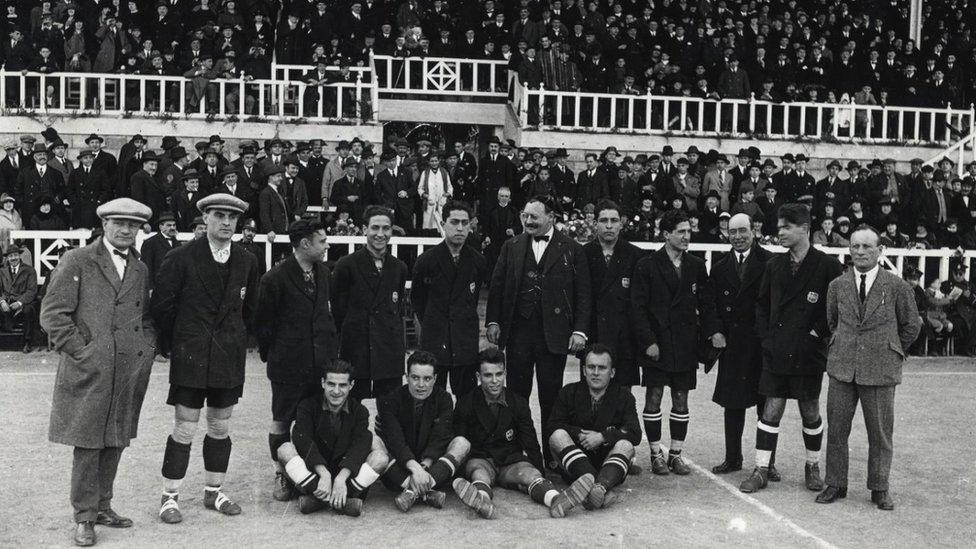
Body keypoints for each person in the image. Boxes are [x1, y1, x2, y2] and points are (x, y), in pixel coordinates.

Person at [41, 198, 155, 547]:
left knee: (117, 438)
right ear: (104, 224)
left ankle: (104, 506)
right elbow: (53, 315)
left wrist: (145, 350)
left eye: (132, 225)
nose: (125, 230)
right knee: (89, 443)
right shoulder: (78, 260)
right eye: (119, 223)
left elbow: (144, 318)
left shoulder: (139, 268)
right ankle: (85, 517)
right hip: (91, 368)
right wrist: (82, 352)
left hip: (126, 369)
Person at [150, 193, 260, 524]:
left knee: (220, 425)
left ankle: (214, 490)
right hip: (191, 355)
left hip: (228, 356)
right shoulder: (180, 257)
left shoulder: (247, 260)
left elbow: (250, 309)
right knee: (184, 426)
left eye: (232, 217)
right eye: (219, 215)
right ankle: (169, 497)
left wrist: (236, 339)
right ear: (205, 219)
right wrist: (178, 345)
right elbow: (162, 309)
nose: (226, 222)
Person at [740, 203, 844, 494]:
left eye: (786, 227)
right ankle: (761, 469)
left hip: (809, 352)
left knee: (810, 411)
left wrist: (815, 333)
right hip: (777, 350)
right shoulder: (774, 265)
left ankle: (812, 466)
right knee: (771, 410)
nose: (780, 232)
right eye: (779, 227)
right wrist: (767, 338)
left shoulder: (827, 265)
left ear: (805, 229)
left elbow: (833, 309)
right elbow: (760, 305)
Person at [817, 225, 921, 510]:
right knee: (837, 429)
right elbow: (832, 322)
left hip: (880, 368)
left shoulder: (897, 286)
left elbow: (912, 325)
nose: (860, 252)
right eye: (855, 246)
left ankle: (879, 488)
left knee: (880, 433)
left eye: (866, 247)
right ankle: (835, 483)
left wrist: (892, 349)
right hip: (842, 367)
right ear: (849, 250)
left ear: (880, 250)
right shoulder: (837, 285)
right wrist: (843, 344)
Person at [485, 195, 591, 465]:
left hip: (553, 337)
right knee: (517, 397)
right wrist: (493, 321)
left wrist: (579, 331)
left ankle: (552, 457)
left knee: (551, 398)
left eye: (534, 217)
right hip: (519, 333)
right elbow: (497, 287)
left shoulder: (572, 249)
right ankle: (520, 453)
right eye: (525, 216)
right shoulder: (511, 246)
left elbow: (583, 295)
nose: (528, 221)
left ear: (551, 218)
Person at [452, 348, 595, 519]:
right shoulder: (465, 403)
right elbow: (460, 443)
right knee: (478, 473)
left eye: (499, 374)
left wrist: (538, 470)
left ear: (505, 373)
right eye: (488, 375)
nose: (494, 381)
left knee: (529, 474)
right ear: (478, 376)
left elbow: (530, 442)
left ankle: (557, 500)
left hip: (509, 461)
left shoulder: (517, 402)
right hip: (480, 460)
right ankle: (482, 501)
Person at [632, 209, 724, 475]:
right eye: (681, 232)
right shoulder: (647, 265)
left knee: (681, 399)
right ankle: (655, 454)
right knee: (654, 396)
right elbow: (637, 309)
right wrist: (648, 341)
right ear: (666, 234)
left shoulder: (696, 265)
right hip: (657, 344)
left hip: (684, 344)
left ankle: (675, 454)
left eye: (689, 231)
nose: (687, 236)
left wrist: (714, 331)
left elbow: (707, 305)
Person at [255, 220, 338, 502]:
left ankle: (310, 472)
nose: (327, 246)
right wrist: (277, 358)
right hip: (288, 367)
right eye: (322, 241)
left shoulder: (325, 273)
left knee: (314, 421)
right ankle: (281, 473)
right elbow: (263, 327)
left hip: (319, 366)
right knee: (282, 421)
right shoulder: (274, 279)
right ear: (305, 244)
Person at [275, 360, 391, 517]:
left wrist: (341, 479)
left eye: (342, 385)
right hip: (316, 474)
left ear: (351, 385)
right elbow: (303, 440)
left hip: (347, 477)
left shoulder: (360, 411)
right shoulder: (307, 406)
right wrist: (324, 474)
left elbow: (359, 446)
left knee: (380, 457)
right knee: (284, 449)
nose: (336, 391)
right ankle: (341, 502)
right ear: (323, 383)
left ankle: (321, 499)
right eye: (331, 384)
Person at [708, 213, 772, 474]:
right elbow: (710, 303)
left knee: (765, 406)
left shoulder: (770, 262)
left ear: (754, 231)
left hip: (760, 345)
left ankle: (766, 463)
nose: (737, 237)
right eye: (732, 232)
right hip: (732, 344)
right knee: (732, 405)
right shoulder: (720, 266)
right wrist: (715, 331)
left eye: (742, 231)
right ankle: (733, 458)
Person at [546, 345, 641, 509]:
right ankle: (599, 490)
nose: (595, 372)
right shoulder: (569, 392)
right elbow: (552, 425)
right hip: (575, 465)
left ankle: (598, 487)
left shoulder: (624, 396)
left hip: (608, 464)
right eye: (591, 367)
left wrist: (602, 437)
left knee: (626, 445)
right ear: (584, 370)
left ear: (612, 372)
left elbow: (635, 433)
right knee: (557, 436)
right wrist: (580, 434)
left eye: (602, 368)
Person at [376, 351, 472, 512]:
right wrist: (415, 468)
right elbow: (395, 440)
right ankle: (426, 493)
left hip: (433, 468)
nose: (421, 385)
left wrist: (424, 468)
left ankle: (412, 493)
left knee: (462, 443)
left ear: (435, 378)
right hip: (399, 469)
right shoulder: (391, 400)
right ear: (407, 377)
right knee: (374, 442)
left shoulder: (444, 398)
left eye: (427, 379)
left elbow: (440, 438)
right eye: (415, 378)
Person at [331, 206, 408, 400]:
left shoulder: (399, 267)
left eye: (386, 228)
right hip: (357, 349)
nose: (380, 234)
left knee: (391, 413)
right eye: (375, 228)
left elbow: (397, 309)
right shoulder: (347, 265)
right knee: (350, 410)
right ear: (365, 229)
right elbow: (339, 311)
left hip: (388, 350)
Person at [411, 201, 487, 395]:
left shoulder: (477, 261)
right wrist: (434, 322)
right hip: (436, 339)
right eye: (454, 222)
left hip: (464, 341)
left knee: (466, 398)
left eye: (464, 222)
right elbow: (418, 301)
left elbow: (473, 296)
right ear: (443, 224)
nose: (460, 228)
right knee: (433, 399)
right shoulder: (427, 260)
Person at [582, 199, 644, 387]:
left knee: (623, 397)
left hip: (624, 339)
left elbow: (639, 302)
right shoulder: (582, 254)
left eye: (614, 220)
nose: (609, 226)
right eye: (604, 220)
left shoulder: (636, 255)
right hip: (594, 335)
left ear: (621, 223)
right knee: (591, 395)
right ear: (595, 224)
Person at [0, 245, 38, 353]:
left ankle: (27, 342)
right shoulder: (2, 271)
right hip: (6, 303)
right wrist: (2, 301)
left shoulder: (29, 270)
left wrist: (20, 302)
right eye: (10, 256)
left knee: (28, 310)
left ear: (19, 256)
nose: (13, 258)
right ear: (7, 258)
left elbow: (32, 291)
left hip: (23, 303)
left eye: (15, 255)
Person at [139, 212, 179, 289]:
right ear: (161, 226)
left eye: (174, 225)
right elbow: (146, 267)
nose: (172, 228)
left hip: (175, 287)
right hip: (158, 287)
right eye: (169, 225)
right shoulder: (150, 243)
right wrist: (149, 288)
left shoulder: (177, 243)